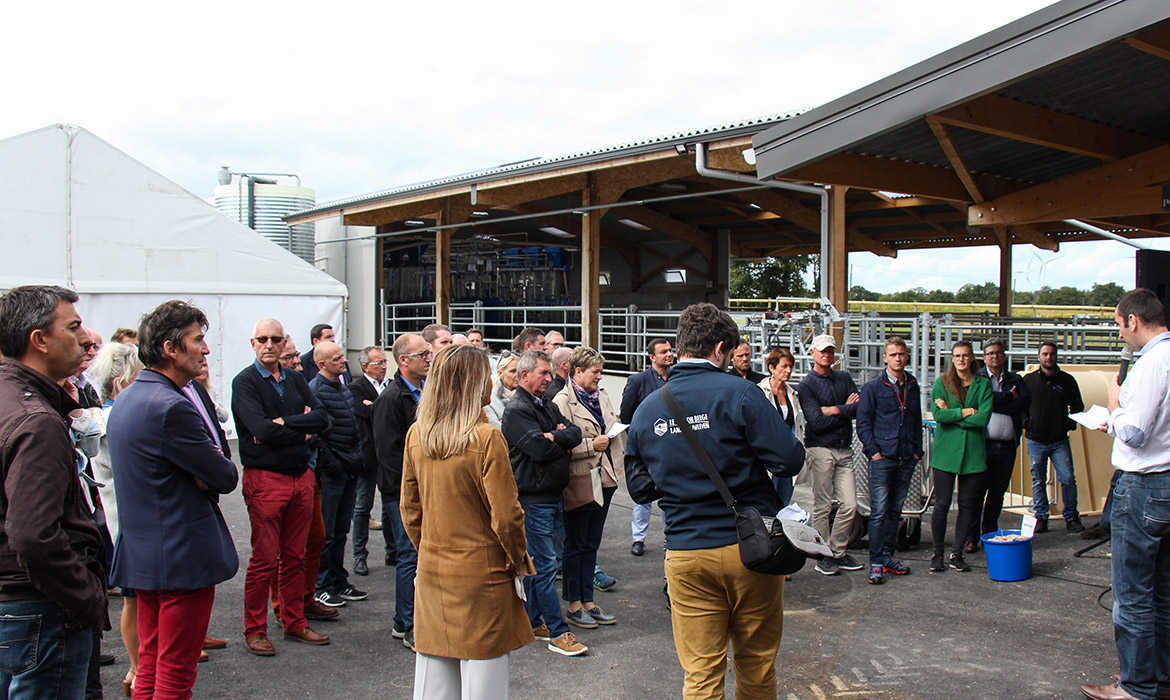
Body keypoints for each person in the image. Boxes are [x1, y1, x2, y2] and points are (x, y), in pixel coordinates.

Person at [625, 302, 805, 698]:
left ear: (680, 345)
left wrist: (680, 478)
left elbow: (639, 489)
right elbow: (790, 458)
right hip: (750, 549)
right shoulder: (741, 393)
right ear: (721, 348)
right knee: (755, 666)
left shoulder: (647, 410)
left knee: (701, 675)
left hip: (687, 551)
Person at [106, 300, 239, 699]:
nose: (206, 350)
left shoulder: (130, 397)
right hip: (180, 558)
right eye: (198, 340)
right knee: (175, 675)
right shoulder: (171, 407)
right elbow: (226, 475)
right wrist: (204, 473)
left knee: (150, 664)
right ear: (171, 348)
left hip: (147, 556)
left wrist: (202, 473)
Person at [401, 344, 536, 699]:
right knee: (483, 680)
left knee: (434, 677)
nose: (492, 379)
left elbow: (410, 509)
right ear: (473, 383)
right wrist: (518, 559)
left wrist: (430, 548)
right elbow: (506, 516)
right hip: (482, 572)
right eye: (487, 374)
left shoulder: (418, 434)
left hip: (433, 568)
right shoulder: (486, 437)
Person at [0, 286, 106, 697]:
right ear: (39, 340)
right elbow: (33, 534)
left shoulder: (20, 402)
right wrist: (85, 596)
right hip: (38, 610)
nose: (85, 338)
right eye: (74, 326)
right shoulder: (36, 421)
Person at [1081, 289, 1170, 700]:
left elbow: (1135, 432)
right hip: (1165, 482)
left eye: (1119, 325)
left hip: (1144, 485)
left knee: (1132, 593)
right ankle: (1160, 679)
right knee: (1163, 591)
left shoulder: (1153, 363)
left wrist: (1113, 410)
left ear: (1134, 320)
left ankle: (1136, 686)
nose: (1120, 334)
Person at [231, 318, 331, 656]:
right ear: (253, 342)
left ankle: (294, 620)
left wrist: (284, 423)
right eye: (263, 339)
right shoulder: (244, 382)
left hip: (299, 474)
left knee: (295, 555)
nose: (270, 344)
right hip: (266, 478)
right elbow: (259, 427)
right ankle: (255, 629)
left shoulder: (294, 378)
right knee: (264, 559)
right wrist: (299, 428)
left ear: (285, 341)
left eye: (276, 338)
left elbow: (322, 419)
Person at [500, 350, 586, 657]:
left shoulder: (545, 404)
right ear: (524, 376)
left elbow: (574, 433)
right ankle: (558, 631)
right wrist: (555, 438)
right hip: (533, 500)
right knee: (545, 564)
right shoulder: (517, 410)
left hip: (551, 496)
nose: (549, 379)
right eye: (543, 374)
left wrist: (556, 437)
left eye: (550, 374)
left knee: (539, 564)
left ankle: (537, 621)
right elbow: (537, 447)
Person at [87, 341, 144, 694]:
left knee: (135, 598)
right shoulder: (111, 417)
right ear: (122, 380)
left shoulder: (105, 415)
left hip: (126, 521)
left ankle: (138, 669)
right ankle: (137, 669)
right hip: (126, 523)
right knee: (134, 599)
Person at [551, 347, 623, 630]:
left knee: (591, 542)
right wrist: (591, 445)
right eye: (595, 372)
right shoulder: (562, 401)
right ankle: (574, 604)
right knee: (575, 543)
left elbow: (612, 425)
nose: (599, 377)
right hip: (581, 481)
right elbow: (558, 442)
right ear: (577, 372)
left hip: (606, 479)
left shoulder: (601, 395)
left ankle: (589, 602)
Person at [372, 333, 430, 650]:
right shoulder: (392, 399)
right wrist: (412, 489)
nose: (428, 358)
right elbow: (388, 455)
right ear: (403, 360)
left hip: (422, 488)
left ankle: (406, 619)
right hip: (402, 493)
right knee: (409, 555)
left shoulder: (424, 391)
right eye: (422, 354)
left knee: (419, 554)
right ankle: (407, 623)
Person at [856, 337, 922, 585]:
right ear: (885, 358)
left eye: (902, 354)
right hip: (883, 457)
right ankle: (875, 561)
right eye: (893, 354)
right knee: (880, 512)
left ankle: (887, 555)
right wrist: (874, 452)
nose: (898, 358)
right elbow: (863, 423)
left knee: (895, 511)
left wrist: (917, 451)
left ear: (907, 357)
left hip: (906, 457)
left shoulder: (912, 384)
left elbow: (915, 419)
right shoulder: (873, 387)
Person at [308, 341, 368, 607]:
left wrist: (355, 458)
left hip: (350, 466)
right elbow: (318, 434)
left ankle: (338, 579)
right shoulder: (315, 390)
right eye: (336, 358)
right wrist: (332, 463)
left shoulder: (342, 385)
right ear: (321, 364)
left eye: (342, 356)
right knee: (327, 532)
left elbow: (350, 424)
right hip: (333, 470)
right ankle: (321, 584)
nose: (343, 361)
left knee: (341, 529)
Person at [798, 334, 863, 576]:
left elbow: (859, 407)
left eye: (830, 351)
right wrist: (845, 409)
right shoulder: (807, 385)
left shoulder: (843, 378)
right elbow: (815, 422)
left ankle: (837, 551)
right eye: (823, 351)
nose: (827, 355)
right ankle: (822, 554)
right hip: (821, 449)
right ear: (813, 353)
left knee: (850, 504)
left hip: (844, 449)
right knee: (823, 505)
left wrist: (834, 409)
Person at [928, 340, 992, 573]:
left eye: (965, 356)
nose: (961, 360)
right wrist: (964, 412)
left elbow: (983, 418)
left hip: (973, 454)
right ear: (952, 359)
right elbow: (938, 415)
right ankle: (938, 554)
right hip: (946, 453)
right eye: (957, 356)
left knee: (968, 505)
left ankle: (957, 553)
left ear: (971, 358)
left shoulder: (983, 385)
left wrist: (952, 415)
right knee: (942, 504)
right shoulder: (942, 383)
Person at [970, 337, 1030, 551]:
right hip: (982, 446)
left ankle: (989, 532)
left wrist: (995, 401)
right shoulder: (976, 378)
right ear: (984, 357)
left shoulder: (1015, 379)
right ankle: (971, 537)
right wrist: (1006, 398)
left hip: (1006, 447)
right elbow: (977, 403)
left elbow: (1022, 403)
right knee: (977, 492)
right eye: (990, 353)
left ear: (1004, 356)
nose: (994, 356)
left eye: (998, 352)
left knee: (997, 493)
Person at [1023, 341, 1086, 533]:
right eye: (1045, 354)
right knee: (1038, 479)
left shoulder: (1067, 380)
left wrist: (1067, 423)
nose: (1048, 357)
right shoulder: (1028, 380)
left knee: (1067, 478)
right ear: (1039, 356)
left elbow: (1078, 406)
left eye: (1051, 354)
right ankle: (1041, 516)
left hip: (1059, 440)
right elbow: (1021, 405)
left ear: (1056, 356)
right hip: (1035, 439)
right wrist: (1027, 423)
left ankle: (1071, 516)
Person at [620, 337, 674, 556]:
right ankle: (638, 538)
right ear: (652, 357)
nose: (669, 354)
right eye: (664, 352)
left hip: (672, 447)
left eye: (671, 350)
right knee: (644, 494)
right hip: (646, 448)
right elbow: (626, 414)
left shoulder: (678, 377)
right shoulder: (638, 381)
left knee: (669, 495)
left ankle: (670, 537)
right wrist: (637, 442)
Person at [349, 346, 391, 576]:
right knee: (362, 506)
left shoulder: (392, 385)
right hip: (366, 455)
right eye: (378, 363)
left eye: (385, 362)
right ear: (365, 366)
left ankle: (391, 550)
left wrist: (375, 408)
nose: (384, 366)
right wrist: (379, 409)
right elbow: (365, 414)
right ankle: (359, 555)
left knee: (389, 505)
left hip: (387, 456)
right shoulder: (356, 388)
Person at [757, 347, 805, 506]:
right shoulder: (761, 392)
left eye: (791, 366)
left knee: (785, 501)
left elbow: (797, 425)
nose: (789, 370)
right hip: (768, 458)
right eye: (784, 366)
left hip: (787, 459)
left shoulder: (792, 394)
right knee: (768, 501)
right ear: (772, 368)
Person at [484, 352, 518, 429]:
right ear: (500, 373)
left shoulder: (528, 394)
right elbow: (495, 427)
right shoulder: (489, 398)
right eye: (513, 371)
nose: (517, 375)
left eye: (519, 371)